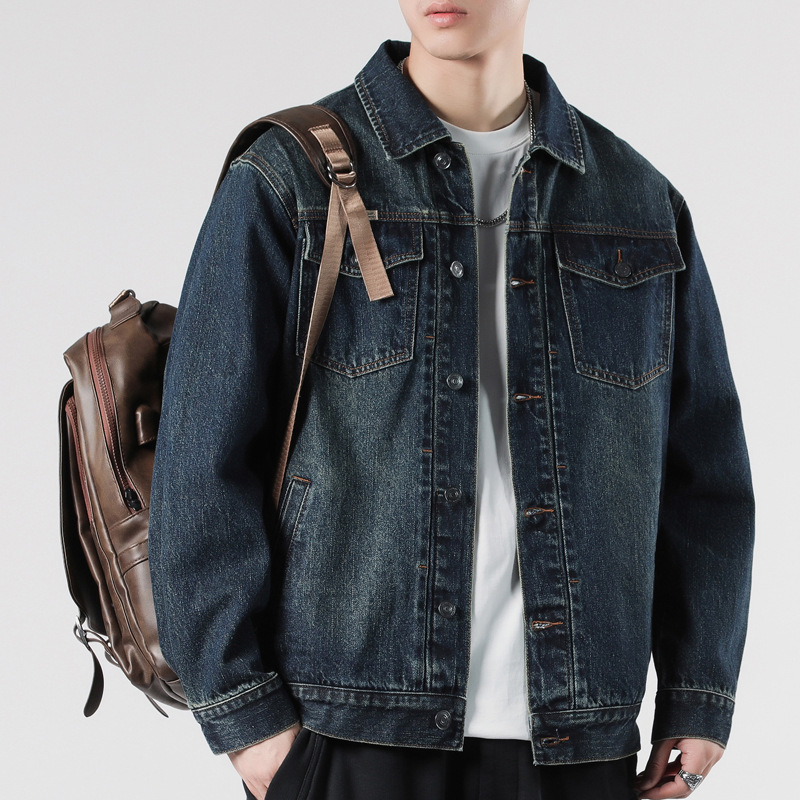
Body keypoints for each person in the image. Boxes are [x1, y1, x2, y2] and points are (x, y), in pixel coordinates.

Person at [148, 2, 755, 799]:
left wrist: (699, 692)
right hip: (352, 731)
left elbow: (704, 477)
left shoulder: (638, 205)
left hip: (578, 743)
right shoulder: (286, 178)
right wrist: (252, 726)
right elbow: (200, 462)